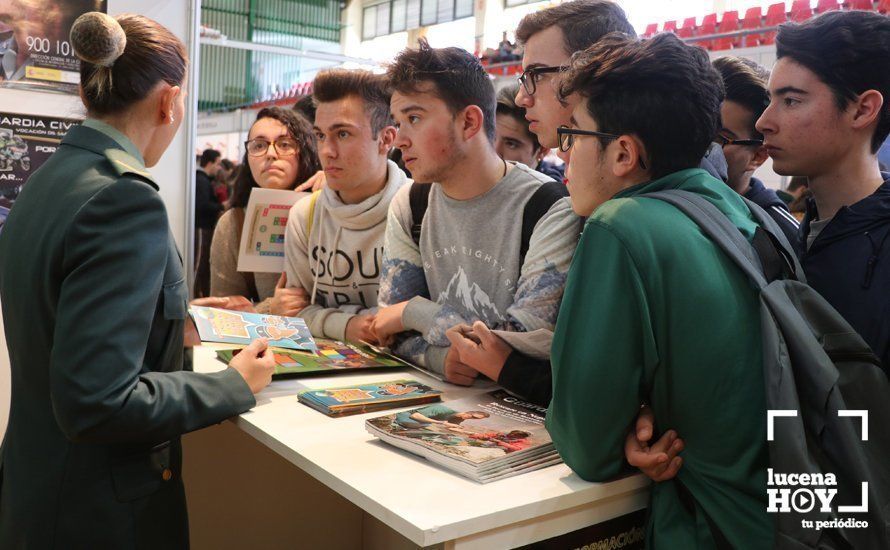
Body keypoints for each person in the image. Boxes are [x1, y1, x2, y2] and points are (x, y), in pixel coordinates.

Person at [0, 12, 275, 548]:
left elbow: (63, 318)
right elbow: (98, 400)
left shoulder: (47, 182)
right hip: (98, 511)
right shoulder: (124, 199)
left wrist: (178, 321)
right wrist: (232, 384)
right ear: (170, 102)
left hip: (38, 487)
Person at [547, 33, 773, 548]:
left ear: (623, 152)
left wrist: (621, 426)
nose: (561, 155)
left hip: (705, 528)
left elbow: (586, 445)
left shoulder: (622, 225)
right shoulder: (752, 217)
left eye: (572, 135)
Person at [445, 0, 636, 407]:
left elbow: (610, 389)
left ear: (592, 72)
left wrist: (411, 313)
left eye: (535, 76)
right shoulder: (585, 201)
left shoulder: (627, 216)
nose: (524, 97)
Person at [371, 41, 581, 395]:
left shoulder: (549, 207)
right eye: (398, 122)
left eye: (415, 118)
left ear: (469, 122)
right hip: (445, 404)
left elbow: (518, 342)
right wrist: (441, 359)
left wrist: (414, 311)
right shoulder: (410, 202)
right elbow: (387, 330)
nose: (400, 140)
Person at [758, 10, 890, 374]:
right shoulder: (792, 235)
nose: (763, 122)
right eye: (771, 99)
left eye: (791, 100)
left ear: (863, 109)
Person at [284, 69, 408, 343]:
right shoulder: (304, 215)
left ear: (386, 139)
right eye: (320, 135)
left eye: (342, 134)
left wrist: (326, 319)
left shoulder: (418, 210)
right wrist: (348, 324)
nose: (327, 151)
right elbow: (294, 310)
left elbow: (416, 314)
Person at [210, 106, 320, 314]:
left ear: (305, 150)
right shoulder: (234, 223)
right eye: (259, 145)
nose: (270, 154)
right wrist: (270, 309)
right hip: (270, 343)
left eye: (284, 144)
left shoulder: (331, 205)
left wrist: (335, 195)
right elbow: (222, 316)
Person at [712, 56, 800, 248]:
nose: (701, 146)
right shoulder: (663, 196)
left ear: (758, 156)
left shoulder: (782, 236)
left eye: (719, 139)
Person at [494, 83, 563, 181]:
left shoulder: (552, 194)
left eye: (511, 144)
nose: (495, 152)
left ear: (542, 151)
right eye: (490, 137)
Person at [195, 148, 224, 297]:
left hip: (205, 228)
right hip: (202, 228)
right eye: (218, 163)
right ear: (210, 163)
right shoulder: (201, 181)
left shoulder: (203, 180)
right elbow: (202, 205)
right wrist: (221, 206)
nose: (219, 168)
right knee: (199, 265)